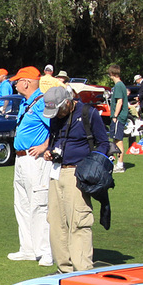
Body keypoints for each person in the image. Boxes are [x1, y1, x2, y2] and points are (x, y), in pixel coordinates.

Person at [45, 84, 109, 273]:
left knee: (78, 222)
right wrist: (49, 152)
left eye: (58, 109)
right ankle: (64, 269)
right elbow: (54, 140)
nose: (56, 114)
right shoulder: (55, 117)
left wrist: (91, 165)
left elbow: (103, 143)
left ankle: (82, 272)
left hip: (78, 173)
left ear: (67, 102)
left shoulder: (89, 113)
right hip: (56, 172)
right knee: (56, 222)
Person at [7, 68, 51, 265]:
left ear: (26, 82)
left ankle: (44, 250)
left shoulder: (42, 102)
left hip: (35, 160)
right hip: (21, 158)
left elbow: (54, 126)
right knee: (22, 204)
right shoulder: (27, 102)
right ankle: (28, 248)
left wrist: (45, 146)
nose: (15, 85)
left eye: (17, 81)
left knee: (39, 204)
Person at [107, 66, 129, 170]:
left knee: (118, 140)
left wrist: (115, 115)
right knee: (116, 139)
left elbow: (120, 102)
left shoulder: (119, 85)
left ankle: (120, 164)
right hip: (118, 117)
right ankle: (117, 163)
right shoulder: (119, 85)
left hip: (119, 117)